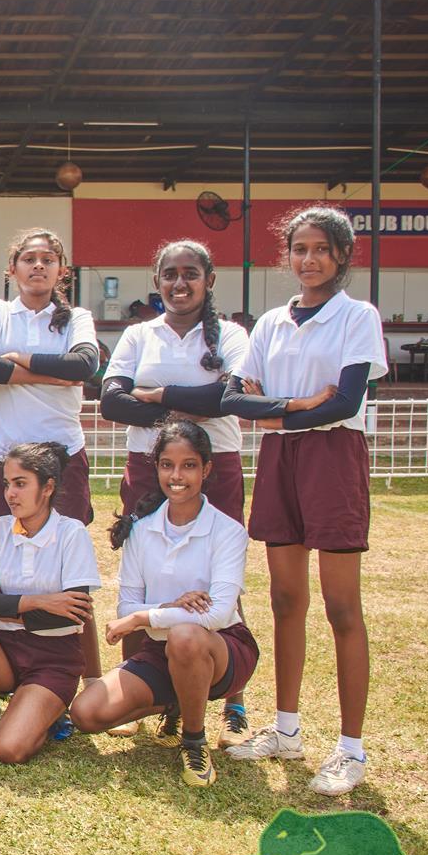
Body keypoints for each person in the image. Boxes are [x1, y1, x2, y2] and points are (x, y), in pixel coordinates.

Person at [222, 206, 388, 796]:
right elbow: (239, 400)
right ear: (286, 256)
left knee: (342, 606)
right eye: (300, 249)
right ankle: (286, 728)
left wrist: (278, 408)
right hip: (282, 459)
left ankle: (351, 748)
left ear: (341, 256)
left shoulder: (356, 316)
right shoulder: (269, 322)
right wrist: (291, 406)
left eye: (322, 249)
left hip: (334, 456)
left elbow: (344, 402)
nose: (309, 259)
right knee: (286, 598)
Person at [97, 239, 269, 743]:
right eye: (169, 274)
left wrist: (157, 396)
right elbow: (112, 403)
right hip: (147, 466)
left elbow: (230, 395)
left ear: (209, 281)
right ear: (157, 281)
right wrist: (187, 410)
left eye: (190, 273)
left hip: (216, 466)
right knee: (147, 571)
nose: (179, 282)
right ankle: (157, 693)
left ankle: (231, 696)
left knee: (219, 577)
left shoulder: (233, 334)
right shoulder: (138, 335)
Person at [70, 421, 261, 787]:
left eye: (189, 465)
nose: (177, 475)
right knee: (85, 713)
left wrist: (148, 615)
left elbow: (220, 612)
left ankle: (193, 738)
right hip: (162, 651)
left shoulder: (228, 531)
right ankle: (176, 702)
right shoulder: (141, 531)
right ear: (155, 467)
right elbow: (125, 608)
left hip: (222, 650)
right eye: (167, 465)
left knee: (187, 636)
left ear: (206, 469)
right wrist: (171, 605)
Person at [0, 228, 102, 688]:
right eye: (28, 258)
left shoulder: (76, 317)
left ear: (62, 270)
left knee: (72, 572)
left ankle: (90, 684)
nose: (38, 266)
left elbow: (84, 365)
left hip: (62, 457)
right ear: (12, 268)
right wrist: (49, 373)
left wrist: (19, 360)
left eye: (48, 259)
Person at [0, 442, 101, 763]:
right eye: (7, 483)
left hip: (53, 660)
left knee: (9, 749)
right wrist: (40, 602)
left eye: (21, 483)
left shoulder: (72, 533)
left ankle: (49, 710)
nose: (10, 493)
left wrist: (1, 605)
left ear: (48, 487)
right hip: (3, 654)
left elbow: (72, 616)